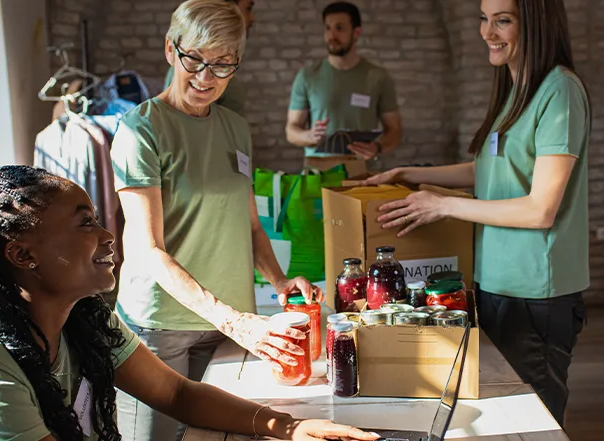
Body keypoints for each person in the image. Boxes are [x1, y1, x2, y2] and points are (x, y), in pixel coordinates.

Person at [0, 163, 378, 441]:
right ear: (23, 254)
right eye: (85, 225)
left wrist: (290, 426)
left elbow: (176, 391)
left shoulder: (83, 320)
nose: (108, 236)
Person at [357, 0, 588, 427]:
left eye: (503, 20)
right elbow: (492, 170)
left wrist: (443, 204)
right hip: (496, 281)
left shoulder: (560, 91)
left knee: (534, 421)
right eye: (483, 18)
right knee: (504, 411)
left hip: (537, 291)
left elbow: (541, 209)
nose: (487, 32)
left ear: (535, 24)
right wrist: (412, 174)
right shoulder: (515, 91)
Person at [110, 1, 323, 440]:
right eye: (196, 60)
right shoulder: (140, 131)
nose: (206, 78)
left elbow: (248, 226)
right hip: (160, 326)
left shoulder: (235, 128)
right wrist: (235, 321)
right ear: (171, 50)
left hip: (230, 324)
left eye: (222, 64)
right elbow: (147, 250)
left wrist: (279, 282)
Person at [285, 1, 402, 171]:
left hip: (362, 174)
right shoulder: (307, 76)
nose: (332, 35)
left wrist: (377, 147)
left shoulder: (378, 77)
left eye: (339, 28)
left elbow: (394, 129)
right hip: (318, 174)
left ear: (357, 32)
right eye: (327, 28)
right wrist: (309, 135)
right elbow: (291, 130)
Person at [161, 0, 255, 116]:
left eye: (221, 63)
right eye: (248, 8)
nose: (204, 78)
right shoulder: (142, 127)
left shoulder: (236, 125)